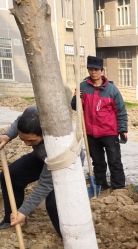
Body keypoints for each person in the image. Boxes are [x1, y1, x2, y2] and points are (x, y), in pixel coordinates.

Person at [0, 106, 84, 235]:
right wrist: (7, 135)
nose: (27, 144)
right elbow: (19, 121)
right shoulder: (33, 113)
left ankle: (70, 237)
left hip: (65, 165)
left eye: (31, 140)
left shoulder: (57, 146)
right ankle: (12, 218)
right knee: (10, 175)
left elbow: (44, 184)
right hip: (42, 158)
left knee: (54, 204)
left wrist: (24, 211)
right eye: (23, 139)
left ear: (45, 134)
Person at [71, 55, 127, 190]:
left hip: (109, 132)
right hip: (91, 133)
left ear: (102, 71)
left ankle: (118, 187)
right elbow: (75, 107)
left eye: (96, 70)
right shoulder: (82, 87)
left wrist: (123, 129)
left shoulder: (112, 90)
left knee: (114, 161)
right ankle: (101, 186)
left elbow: (121, 111)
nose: (93, 72)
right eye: (90, 69)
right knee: (97, 162)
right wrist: (76, 98)